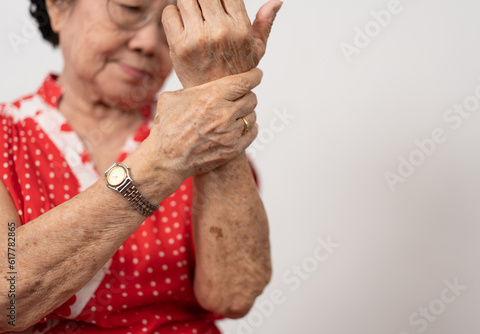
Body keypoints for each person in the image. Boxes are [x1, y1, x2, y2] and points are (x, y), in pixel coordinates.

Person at [0, 0, 282, 332]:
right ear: (60, 9)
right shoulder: (7, 135)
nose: (148, 43)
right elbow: (8, 300)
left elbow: (232, 297)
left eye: (170, 25)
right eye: (129, 8)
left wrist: (219, 96)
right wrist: (163, 160)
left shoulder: (206, 139)